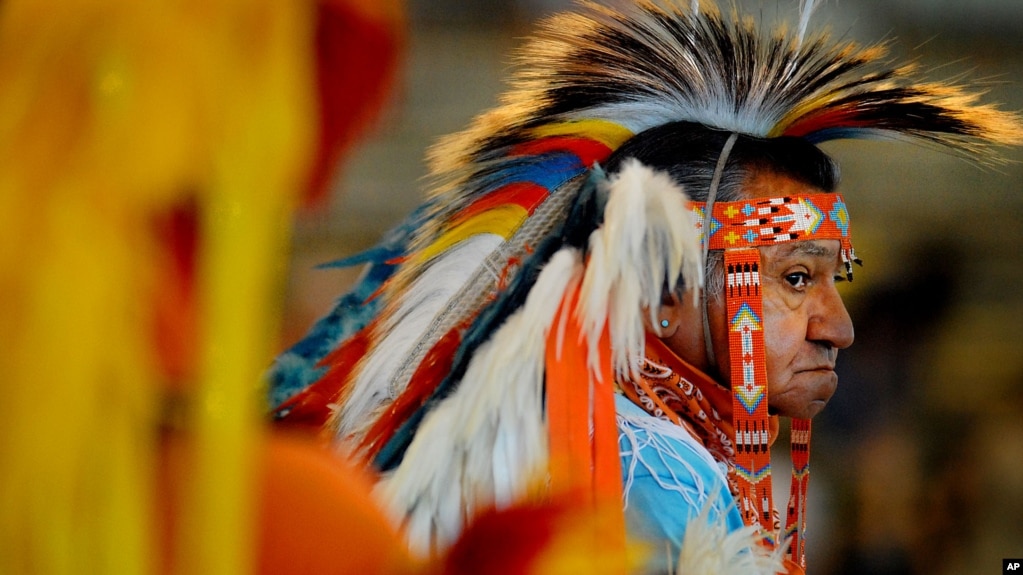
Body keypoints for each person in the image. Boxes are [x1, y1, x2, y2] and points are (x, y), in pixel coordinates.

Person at [268, 1, 1022, 572]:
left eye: (834, 280)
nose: (837, 324)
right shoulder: (656, 477)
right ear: (663, 287)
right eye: (795, 278)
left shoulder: (594, 441)